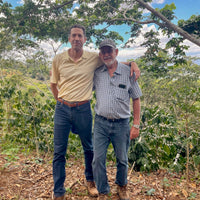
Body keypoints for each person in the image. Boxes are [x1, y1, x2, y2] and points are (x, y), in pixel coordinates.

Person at [50, 24, 140, 200]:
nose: (76, 39)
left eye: (80, 36)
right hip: (64, 109)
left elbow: (113, 63)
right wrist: (60, 101)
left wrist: (132, 63)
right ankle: (59, 190)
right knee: (60, 152)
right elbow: (53, 84)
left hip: (85, 110)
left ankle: (94, 181)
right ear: (69, 38)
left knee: (92, 150)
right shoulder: (60, 59)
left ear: (84, 40)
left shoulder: (95, 59)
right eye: (73, 35)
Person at [92, 39, 142, 200]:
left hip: (121, 124)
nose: (107, 54)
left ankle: (122, 186)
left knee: (122, 159)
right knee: (98, 159)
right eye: (104, 52)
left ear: (116, 52)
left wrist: (136, 124)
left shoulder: (128, 72)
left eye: (110, 51)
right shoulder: (97, 73)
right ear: (100, 55)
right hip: (100, 122)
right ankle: (103, 191)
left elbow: (136, 98)